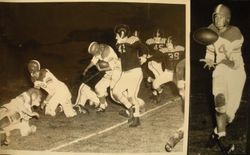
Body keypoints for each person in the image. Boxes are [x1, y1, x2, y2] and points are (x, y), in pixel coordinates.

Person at [200, 4, 246, 152]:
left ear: (227, 19)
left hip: (236, 71)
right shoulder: (211, 29)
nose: (217, 19)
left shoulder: (235, 32)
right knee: (219, 101)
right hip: (220, 69)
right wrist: (208, 59)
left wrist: (223, 60)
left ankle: (215, 133)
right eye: (215, 16)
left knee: (230, 115)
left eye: (220, 17)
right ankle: (222, 139)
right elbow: (210, 50)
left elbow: (232, 61)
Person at [112, 24, 148, 127]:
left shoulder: (133, 41)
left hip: (135, 72)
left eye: (117, 35)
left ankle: (136, 118)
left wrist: (144, 57)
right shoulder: (119, 44)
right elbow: (124, 54)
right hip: (125, 73)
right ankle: (130, 109)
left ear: (122, 33)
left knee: (131, 96)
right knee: (116, 92)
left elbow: (144, 49)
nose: (115, 37)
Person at [83, 41, 122, 112]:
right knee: (98, 88)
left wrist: (100, 68)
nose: (95, 55)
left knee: (115, 94)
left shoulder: (107, 52)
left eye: (95, 53)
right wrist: (86, 68)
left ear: (97, 49)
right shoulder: (98, 49)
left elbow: (111, 66)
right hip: (109, 73)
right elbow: (94, 61)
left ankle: (132, 105)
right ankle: (103, 105)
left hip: (117, 72)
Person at [148, 37, 185, 103]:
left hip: (177, 74)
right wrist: (146, 57)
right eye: (167, 44)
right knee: (155, 84)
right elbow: (154, 57)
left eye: (169, 44)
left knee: (182, 92)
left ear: (175, 44)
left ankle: (186, 102)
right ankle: (160, 92)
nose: (168, 46)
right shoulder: (163, 50)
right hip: (168, 73)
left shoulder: (181, 49)